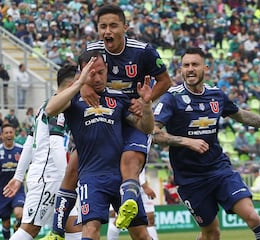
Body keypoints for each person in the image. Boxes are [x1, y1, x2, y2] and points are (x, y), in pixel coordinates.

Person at [44, 5, 172, 238]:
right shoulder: (91, 51)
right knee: (73, 166)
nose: (107, 31)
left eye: (113, 25)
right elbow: (76, 78)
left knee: (129, 160)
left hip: (130, 114)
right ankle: (57, 231)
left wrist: (146, 101)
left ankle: (129, 203)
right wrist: (82, 85)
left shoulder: (143, 51)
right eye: (103, 26)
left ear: (125, 27)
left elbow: (165, 81)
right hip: (102, 117)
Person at [152, 47, 260, 240]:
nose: (190, 69)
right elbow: (153, 132)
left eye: (195, 64)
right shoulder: (172, 98)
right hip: (190, 179)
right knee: (212, 234)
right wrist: (186, 141)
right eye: (186, 65)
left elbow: (243, 116)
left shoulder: (216, 95)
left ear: (206, 68)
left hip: (219, 170)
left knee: (252, 216)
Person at [45, 51, 154, 240]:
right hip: (92, 177)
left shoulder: (118, 97)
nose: (97, 78)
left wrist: (147, 106)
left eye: (101, 72)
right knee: (91, 229)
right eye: (91, 73)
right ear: (83, 72)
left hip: (121, 177)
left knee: (141, 234)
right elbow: (50, 109)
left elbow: (145, 127)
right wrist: (79, 84)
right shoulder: (73, 99)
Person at [3, 65, 82, 240]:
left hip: (52, 177)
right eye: (79, 83)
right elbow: (55, 144)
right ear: (72, 84)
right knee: (30, 229)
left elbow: (29, 143)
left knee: (74, 227)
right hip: (49, 178)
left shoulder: (45, 106)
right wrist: (66, 180)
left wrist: (18, 176)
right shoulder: (60, 106)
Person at [106, 168, 159, 240]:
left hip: (141, 184)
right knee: (120, 219)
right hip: (129, 183)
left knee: (150, 218)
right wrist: (145, 186)